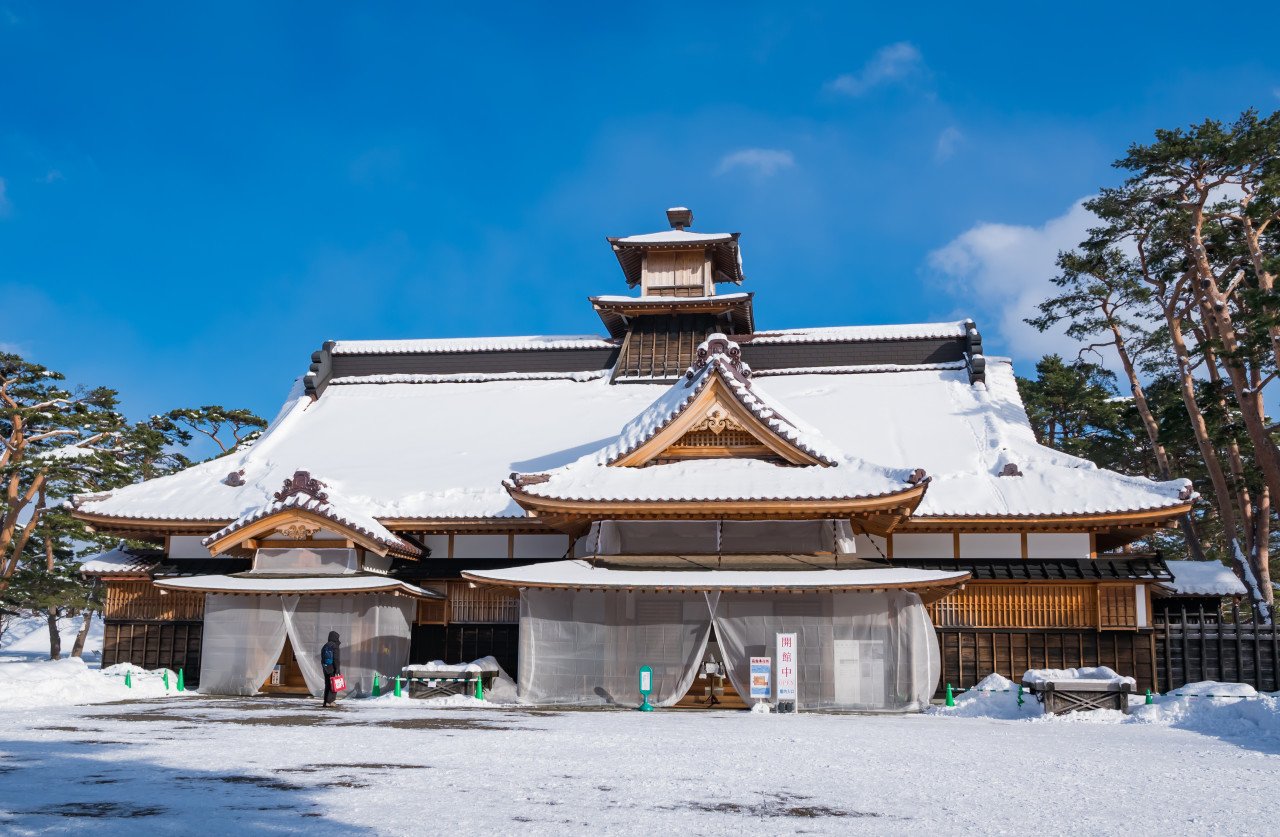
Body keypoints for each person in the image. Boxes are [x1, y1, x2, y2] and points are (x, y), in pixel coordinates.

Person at [321, 630, 342, 706]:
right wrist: (337, 670)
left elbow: (322, 658)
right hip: (332, 667)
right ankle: (330, 701)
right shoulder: (335, 646)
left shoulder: (325, 645)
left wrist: (325, 666)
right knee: (334, 684)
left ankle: (325, 701)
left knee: (327, 684)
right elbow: (336, 659)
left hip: (326, 667)